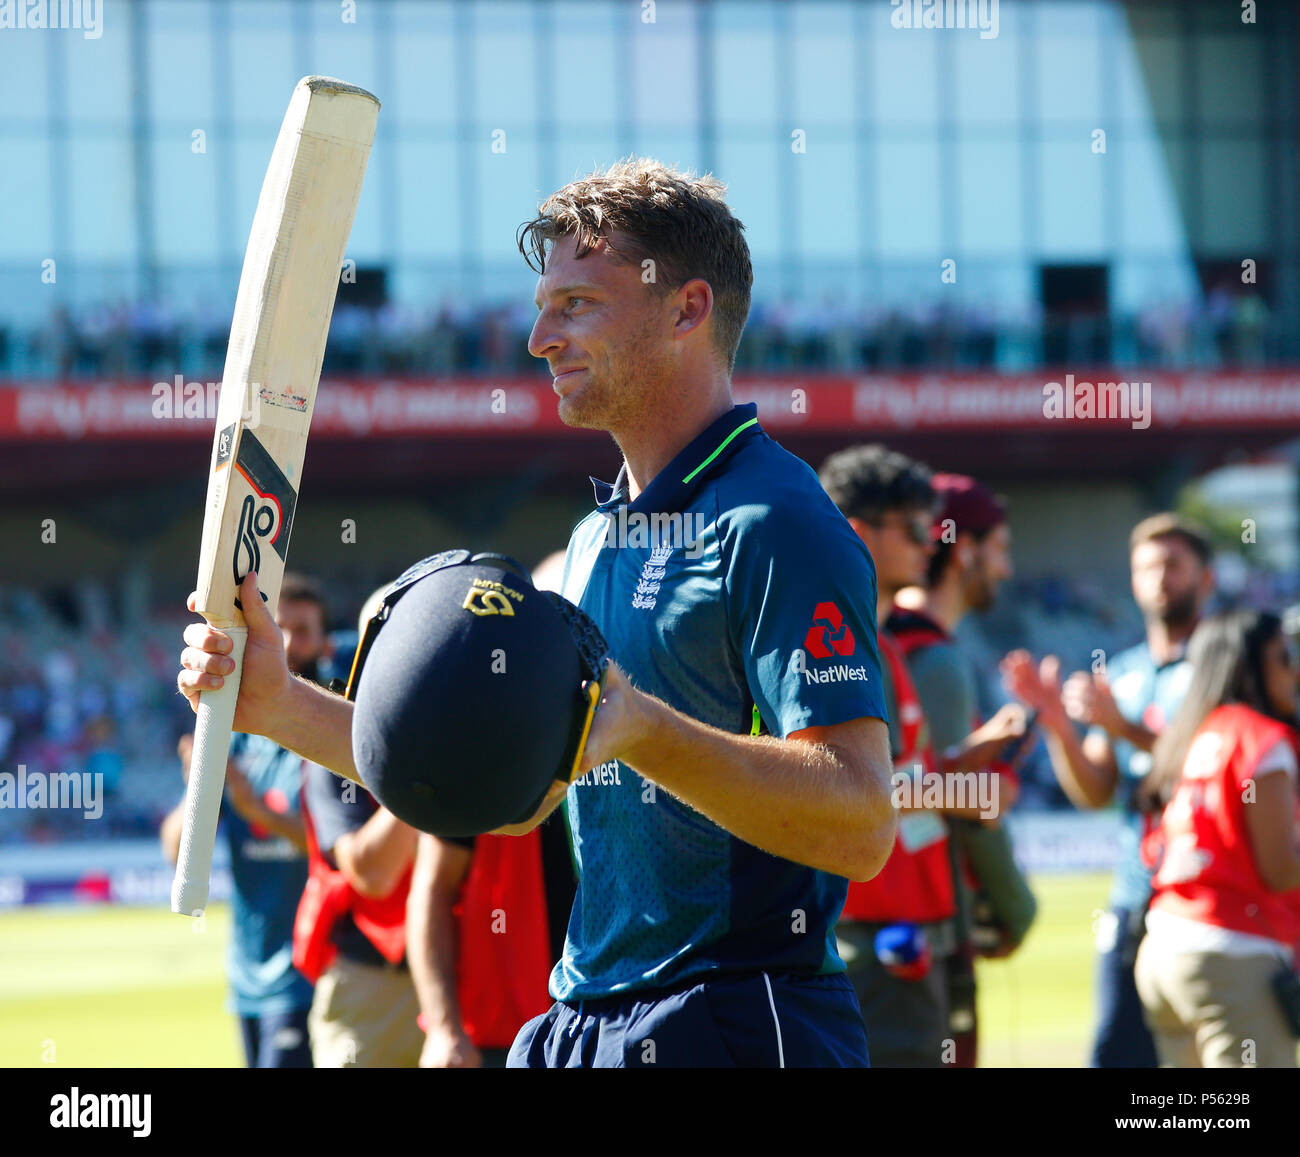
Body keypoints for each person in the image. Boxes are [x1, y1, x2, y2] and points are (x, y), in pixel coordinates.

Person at [178, 158, 896, 1069]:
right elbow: (513, 793)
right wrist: (279, 705)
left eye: (577, 305)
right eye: (542, 305)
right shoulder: (594, 536)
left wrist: (640, 729)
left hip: (739, 1015)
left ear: (686, 309)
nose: (538, 338)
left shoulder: (777, 519)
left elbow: (863, 821)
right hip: (583, 1019)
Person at [1002, 513, 1214, 1067]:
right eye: (1147, 566)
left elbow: (1224, 771)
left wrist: (1125, 729)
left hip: (1212, 895)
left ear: (1206, 579)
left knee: (1215, 1065)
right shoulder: (1123, 672)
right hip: (1134, 894)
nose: (1160, 577)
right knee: (1116, 1054)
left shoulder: (1227, 666)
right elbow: (1095, 792)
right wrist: (1057, 726)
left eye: (1173, 564)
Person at [405, 552, 577, 1069]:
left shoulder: (630, 728)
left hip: (611, 1019)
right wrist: (443, 1029)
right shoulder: (479, 740)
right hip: (504, 1033)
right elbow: (430, 894)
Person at [888, 471, 1035, 1065]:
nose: (1004, 569)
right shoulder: (936, 660)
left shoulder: (884, 637)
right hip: (921, 932)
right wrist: (1015, 911)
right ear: (965, 549)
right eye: (998, 549)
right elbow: (953, 803)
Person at [160, 573, 330, 1069]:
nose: (293, 642)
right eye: (282, 628)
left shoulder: (331, 732)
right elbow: (177, 850)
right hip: (247, 976)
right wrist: (199, 786)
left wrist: (253, 808)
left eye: (304, 629)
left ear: (324, 639)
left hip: (308, 973)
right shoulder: (236, 731)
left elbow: (330, 848)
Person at [1134, 611, 1300, 1067]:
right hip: (1232, 951)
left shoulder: (1196, 735)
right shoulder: (1262, 740)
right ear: (1251, 666)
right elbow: (1281, 869)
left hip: (1167, 945)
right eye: (1284, 657)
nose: (1294, 671)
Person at [293, 586, 422, 1068]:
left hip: (474, 981)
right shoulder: (335, 744)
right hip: (375, 981)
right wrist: (435, 782)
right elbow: (371, 871)